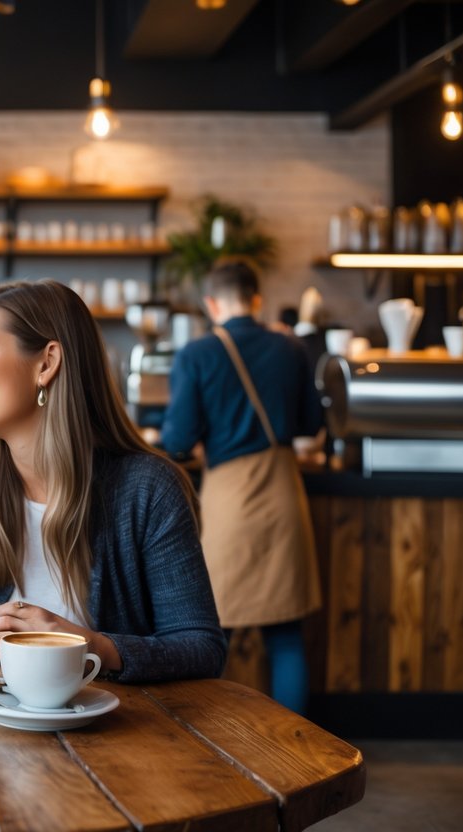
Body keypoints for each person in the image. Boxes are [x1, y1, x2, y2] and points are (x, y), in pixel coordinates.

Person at [0, 280, 226, 683]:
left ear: (46, 363)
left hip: (122, 736)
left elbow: (202, 647)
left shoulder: (147, 488)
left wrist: (97, 647)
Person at [161, 259, 323, 713]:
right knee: (286, 634)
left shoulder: (196, 354)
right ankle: (295, 748)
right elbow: (313, 421)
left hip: (228, 502)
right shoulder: (291, 349)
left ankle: (208, 743)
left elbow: (177, 440)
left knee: (212, 632)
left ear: (211, 303)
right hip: (284, 493)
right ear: (257, 299)